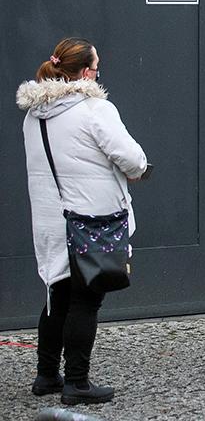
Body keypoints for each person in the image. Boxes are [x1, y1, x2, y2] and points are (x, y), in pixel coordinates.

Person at [19, 38, 147, 405]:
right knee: (86, 300)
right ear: (87, 72)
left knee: (55, 295)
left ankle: (46, 376)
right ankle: (77, 382)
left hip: (50, 218)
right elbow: (133, 160)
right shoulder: (95, 109)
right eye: (97, 67)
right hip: (91, 218)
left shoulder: (34, 114)